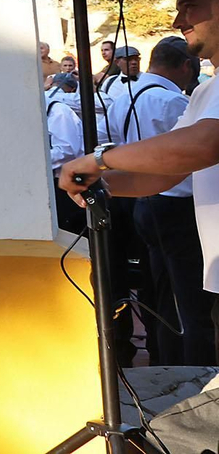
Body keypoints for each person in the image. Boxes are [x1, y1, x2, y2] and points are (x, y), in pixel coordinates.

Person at [63, 0, 219, 365]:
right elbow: (166, 173)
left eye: (190, 7)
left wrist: (99, 160)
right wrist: (101, 183)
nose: (178, 21)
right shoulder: (205, 90)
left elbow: (203, 146)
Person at [113, 37, 214, 365]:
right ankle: (191, 366)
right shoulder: (173, 100)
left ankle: (163, 358)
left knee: (158, 293)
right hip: (174, 206)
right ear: (186, 66)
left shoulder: (121, 95)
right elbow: (180, 158)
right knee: (190, 301)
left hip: (145, 201)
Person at [46, 75, 86, 235]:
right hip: (51, 183)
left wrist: (33, 160)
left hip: (65, 184)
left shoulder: (58, 113)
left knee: (69, 230)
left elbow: (66, 150)